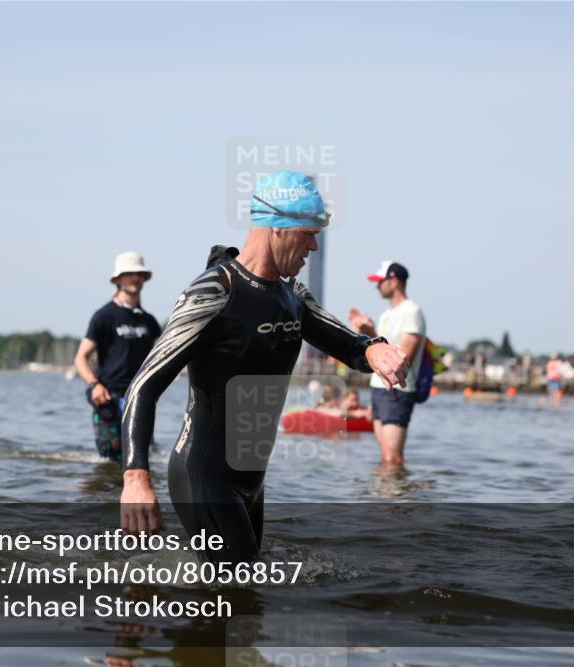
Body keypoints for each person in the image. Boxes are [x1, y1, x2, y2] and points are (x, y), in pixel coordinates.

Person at [118, 171, 409, 563]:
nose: (315, 246)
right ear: (276, 226)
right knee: (240, 593)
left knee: (240, 596)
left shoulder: (292, 296)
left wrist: (372, 349)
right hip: (203, 475)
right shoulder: (213, 292)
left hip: (252, 482)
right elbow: (144, 385)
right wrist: (136, 478)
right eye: (309, 232)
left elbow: (344, 341)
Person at [74, 252, 161, 462]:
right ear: (118, 279)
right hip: (109, 398)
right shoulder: (104, 316)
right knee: (111, 461)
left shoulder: (149, 321)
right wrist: (94, 384)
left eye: (139, 274)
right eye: (129, 274)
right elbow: (80, 358)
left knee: (140, 458)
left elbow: (162, 357)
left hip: (140, 397)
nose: (135, 278)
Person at [348, 261, 425, 467]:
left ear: (394, 281)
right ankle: (384, 497)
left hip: (398, 390)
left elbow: (404, 356)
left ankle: (396, 498)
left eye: (380, 282)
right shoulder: (386, 315)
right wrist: (368, 332)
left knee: (393, 458)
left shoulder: (411, 311)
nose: (377, 286)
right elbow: (382, 351)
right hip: (378, 388)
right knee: (385, 457)